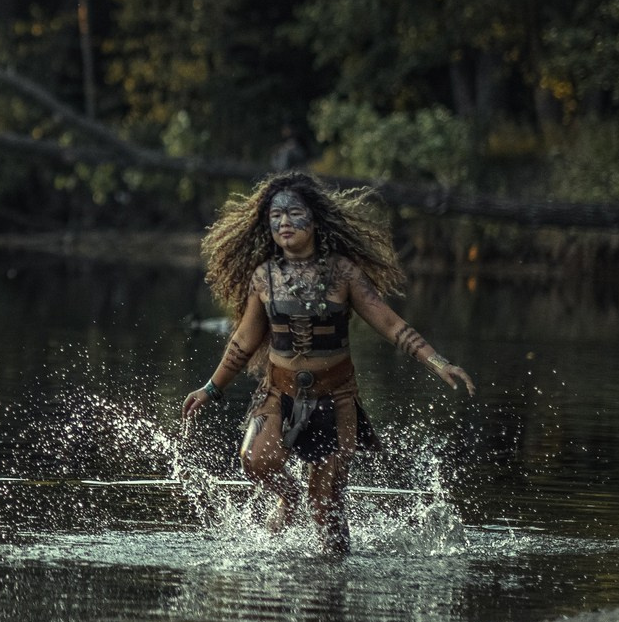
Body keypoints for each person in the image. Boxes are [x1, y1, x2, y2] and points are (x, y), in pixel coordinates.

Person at [180, 171, 475, 554]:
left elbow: (389, 322)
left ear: (314, 219)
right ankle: (289, 498)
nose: (284, 222)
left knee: (328, 509)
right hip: (278, 391)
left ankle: (332, 587)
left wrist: (438, 362)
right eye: (275, 217)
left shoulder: (343, 273)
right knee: (254, 459)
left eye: (294, 214)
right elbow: (242, 342)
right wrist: (210, 388)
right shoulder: (263, 278)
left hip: (334, 399)